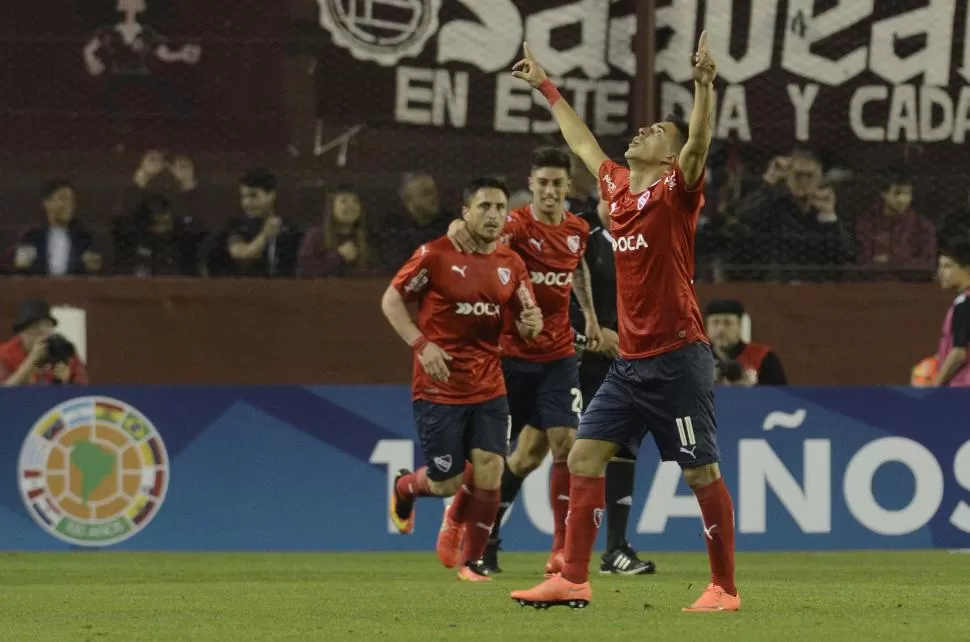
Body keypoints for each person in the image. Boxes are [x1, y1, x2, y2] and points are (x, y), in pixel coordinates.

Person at [509, 32, 740, 612]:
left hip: (678, 358)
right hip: (629, 365)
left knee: (700, 474)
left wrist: (704, 87)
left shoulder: (675, 192)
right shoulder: (615, 187)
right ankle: (574, 578)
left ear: (668, 155)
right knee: (584, 457)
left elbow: (699, 143)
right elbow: (582, 141)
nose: (642, 132)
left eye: (656, 131)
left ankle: (724, 589)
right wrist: (545, 86)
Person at [445, 147, 603, 576]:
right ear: (531, 184)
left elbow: (578, 267)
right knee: (510, 458)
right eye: (543, 183)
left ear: (569, 187)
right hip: (510, 357)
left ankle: (560, 549)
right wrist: (460, 226)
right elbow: (480, 240)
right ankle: (467, 521)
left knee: (566, 448)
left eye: (558, 183)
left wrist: (587, 314)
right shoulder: (514, 226)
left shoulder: (577, 229)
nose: (550, 191)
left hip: (558, 356)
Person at [380, 177, 543, 581]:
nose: (492, 215)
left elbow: (528, 322)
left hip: (489, 383)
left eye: (499, 208)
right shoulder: (434, 255)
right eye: (483, 207)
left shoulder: (511, 264)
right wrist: (422, 345)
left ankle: (473, 562)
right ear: (465, 212)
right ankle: (405, 488)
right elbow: (392, 299)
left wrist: (532, 324)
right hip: (439, 386)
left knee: (490, 469)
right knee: (447, 482)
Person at [569, 198, 656, 575]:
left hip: (623, 363)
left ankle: (614, 549)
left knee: (623, 449)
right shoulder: (579, 232)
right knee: (535, 450)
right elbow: (560, 284)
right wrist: (588, 330)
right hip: (575, 360)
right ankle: (487, 544)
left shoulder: (644, 237)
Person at [0, 300, 88, 386]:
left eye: (47, 325)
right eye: (35, 327)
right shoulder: (4, 355)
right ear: (21, 333)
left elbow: (85, 392)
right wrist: (31, 363)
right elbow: (4, 394)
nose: (43, 333)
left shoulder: (65, 350)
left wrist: (67, 380)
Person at [705, 299, 787, 386]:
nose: (720, 329)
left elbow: (779, 396)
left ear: (740, 325)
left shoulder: (764, 358)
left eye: (727, 323)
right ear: (707, 326)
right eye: (715, 322)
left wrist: (750, 387)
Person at [933, 237, 970, 387]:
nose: (941, 273)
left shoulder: (964, 304)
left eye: (948, 266)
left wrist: (937, 384)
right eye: (940, 266)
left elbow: (959, 353)